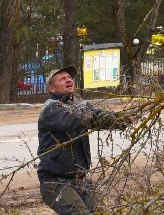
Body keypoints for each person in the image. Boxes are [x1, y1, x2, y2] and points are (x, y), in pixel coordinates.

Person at [37, 65, 128, 215]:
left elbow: (99, 115)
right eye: (62, 78)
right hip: (55, 182)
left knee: (101, 212)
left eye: (69, 77)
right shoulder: (51, 110)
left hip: (80, 180)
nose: (68, 80)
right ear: (52, 88)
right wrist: (100, 118)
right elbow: (76, 120)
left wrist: (120, 119)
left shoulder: (80, 105)